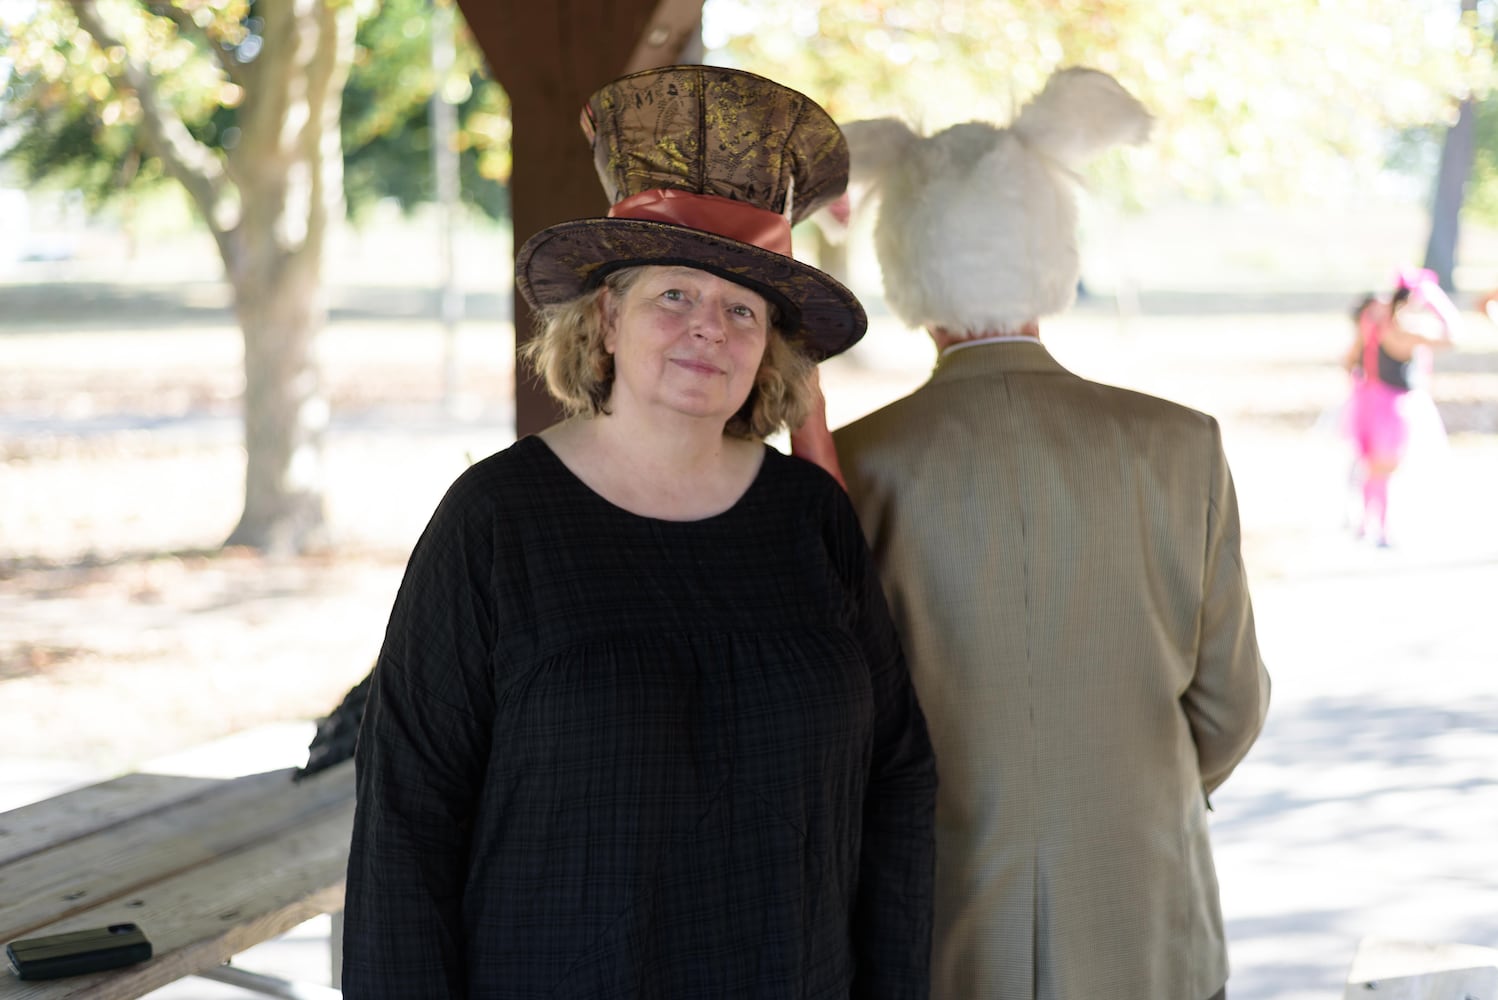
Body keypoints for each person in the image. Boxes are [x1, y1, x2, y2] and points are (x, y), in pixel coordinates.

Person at [340, 64, 936, 998]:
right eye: (675, 296)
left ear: (770, 348)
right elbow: (407, 827)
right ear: (608, 316)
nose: (711, 328)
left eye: (743, 308)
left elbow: (897, 774)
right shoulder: (496, 523)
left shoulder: (809, 518)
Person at [796, 67, 1271, 1000]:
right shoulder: (1180, 444)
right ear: (1048, 253)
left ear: (910, 267)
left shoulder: (854, 465)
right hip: (1146, 915)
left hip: (939, 922)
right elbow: (1231, 706)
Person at [1342, 268, 1457, 546]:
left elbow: (1349, 360)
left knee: (1372, 465)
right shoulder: (1405, 332)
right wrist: (1436, 300)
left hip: (1367, 400)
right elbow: (1453, 336)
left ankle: (1364, 522)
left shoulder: (1371, 328)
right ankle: (1381, 528)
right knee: (1385, 467)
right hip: (1394, 407)